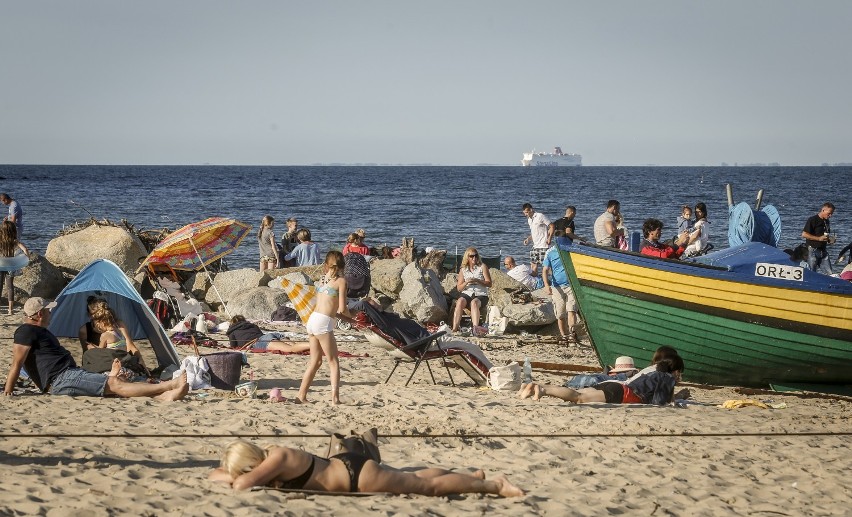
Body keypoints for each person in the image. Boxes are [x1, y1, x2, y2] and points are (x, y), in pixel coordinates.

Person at [4, 297, 189, 400]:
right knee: (115, 384)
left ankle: (165, 396)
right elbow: (16, 364)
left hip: (70, 373)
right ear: (39, 314)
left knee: (119, 382)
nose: (51, 313)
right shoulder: (25, 331)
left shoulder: (39, 331)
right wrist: (8, 392)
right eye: (48, 311)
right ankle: (169, 385)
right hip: (60, 379)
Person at [208, 439, 524, 496]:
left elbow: (240, 485)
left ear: (252, 465)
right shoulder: (272, 456)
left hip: (358, 477)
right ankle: (471, 478)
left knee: (426, 488)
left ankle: (494, 485)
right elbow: (214, 474)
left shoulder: (277, 459)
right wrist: (229, 471)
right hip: (349, 467)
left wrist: (235, 476)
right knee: (413, 478)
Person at [519, 355, 684, 406]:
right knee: (578, 397)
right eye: (679, 373)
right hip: (622, 393)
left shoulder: (653, 371)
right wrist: (676, 399)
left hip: (615, 386)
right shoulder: (666, 377)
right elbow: (659, 402)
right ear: (675, 370)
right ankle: (544, 390)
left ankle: (536, 386)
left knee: (579, 393)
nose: (680, 377)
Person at [298, 251, 349, 404]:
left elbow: (330, 306)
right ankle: (335, 398)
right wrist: (353, 315)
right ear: (342, 265)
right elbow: (342, 309)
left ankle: (301, 395)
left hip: (312, 320)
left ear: (326, 265)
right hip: (323, 322)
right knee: (333, 361)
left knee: (315, 361)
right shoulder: (341, 282)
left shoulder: (322, 279)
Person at [89, 299, 148, 370]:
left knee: (89, 355)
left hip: (114, 365)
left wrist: (93, 347)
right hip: (125, 363)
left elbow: (100, 353)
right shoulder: (118, 328)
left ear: (101, 322)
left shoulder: (105, 334)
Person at [541, 234, 578, 344]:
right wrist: (547, 285)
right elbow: (545, 270)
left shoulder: (571, 252)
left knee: (571, 310)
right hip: (557, 287)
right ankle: (564, 335)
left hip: (571, 285)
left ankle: (572, 334)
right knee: (560, 314)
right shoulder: (551, 254)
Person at [451, 247, 492, 336]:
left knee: (474, 303)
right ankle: (455, 328)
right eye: (472, 256)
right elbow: (459, 288)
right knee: (460, 301)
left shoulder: (482, 267)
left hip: (480, 293)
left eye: (476, 256)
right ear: (467, 258)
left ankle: (475, 328)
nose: (474, 258)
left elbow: (489, 283)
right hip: (467, 292)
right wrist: (467, 282)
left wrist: (477, 280)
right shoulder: (463, 269)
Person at [226, 315, 309, 353]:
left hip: (260, 341)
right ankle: (314, 345)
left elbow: (233, 346)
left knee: (291, 349)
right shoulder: (252, 325)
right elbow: (260, 334)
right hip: (271, 335)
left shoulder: (232, 331)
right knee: (296, 346)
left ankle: (313, 344)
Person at [0, 220, 29, 315]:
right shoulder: (14, 240)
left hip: (1, 264)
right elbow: (25, 249)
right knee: (10, 287)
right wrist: (26, 257)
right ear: (13, 231)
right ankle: (10, 310)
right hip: (11, 265)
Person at [801, 202, 835, 275]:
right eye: (829, 213)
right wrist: (819, 238)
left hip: (823, 251)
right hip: (812, 250)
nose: (830, 215)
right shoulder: (813, 220)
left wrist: (830, 240)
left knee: (830, 273)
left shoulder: (826, 221)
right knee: (812, 273)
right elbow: (804, 234)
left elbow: (825, 236)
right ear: (823, 210)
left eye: (832, 213)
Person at [521, 203, 553, 269]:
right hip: (535, 246)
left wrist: (549, 238)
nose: (525, 214)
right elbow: (534, 233)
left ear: (531, 210)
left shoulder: (540, 216)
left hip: (543, 246)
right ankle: (535, 279)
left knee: (546, 268)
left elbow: (552, 226)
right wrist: (528, 239)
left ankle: (553, 279)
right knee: (533, 266)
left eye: (527, 212)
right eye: (524, 213)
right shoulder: (529, 220)